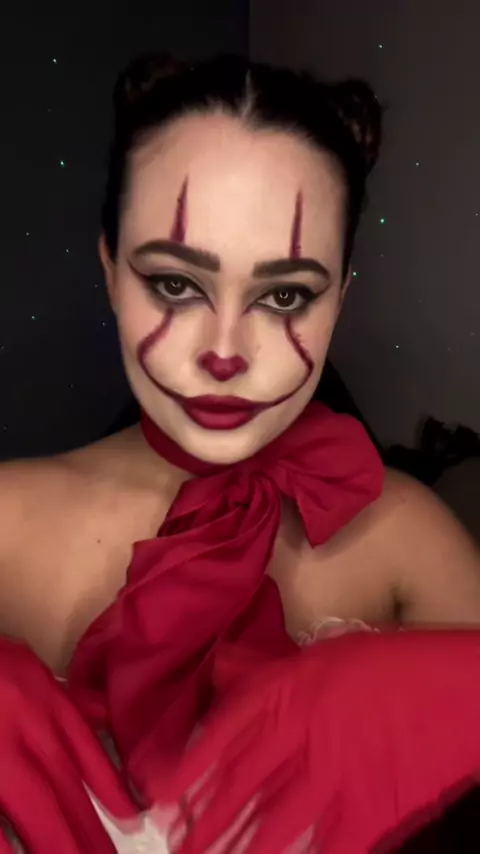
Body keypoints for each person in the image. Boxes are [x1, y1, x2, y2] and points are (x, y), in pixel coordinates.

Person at [1, 53, 480, 852]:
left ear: (341, 298)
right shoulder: (6, 522)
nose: (225, 351)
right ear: (110, 269)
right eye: (175, 284)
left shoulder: (409, 539)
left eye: (286, 295)